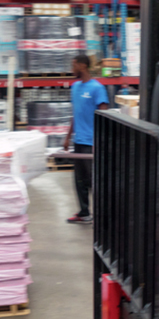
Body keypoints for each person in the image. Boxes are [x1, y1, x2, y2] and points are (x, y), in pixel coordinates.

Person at [63, 53, 109, 223]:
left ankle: (103, 214)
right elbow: (76, 114)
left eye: (73, 65)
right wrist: (68, 137)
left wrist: (101, 141)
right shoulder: (75, 87)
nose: (72, 69)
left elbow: (104, 116)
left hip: (92, 142)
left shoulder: (97, 88)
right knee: (79, 180)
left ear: (82, 66)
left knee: (94, 180)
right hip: (79, 141)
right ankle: (84, 213)